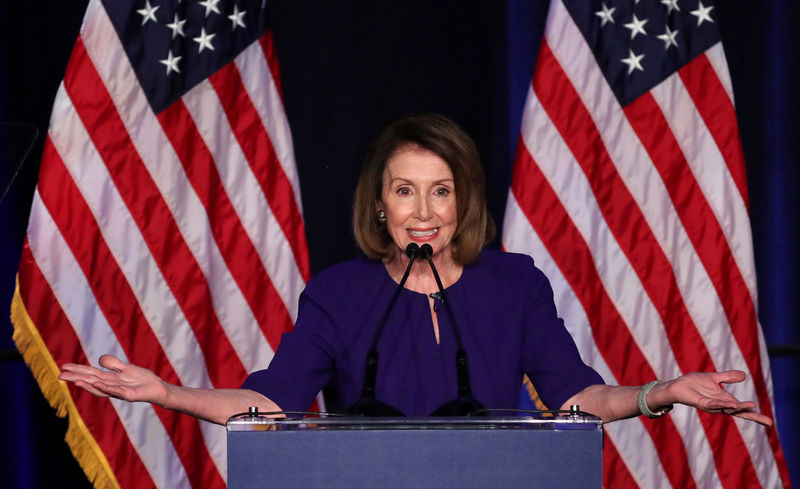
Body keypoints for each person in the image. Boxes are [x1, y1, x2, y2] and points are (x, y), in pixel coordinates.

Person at [59, 114, 771, 427]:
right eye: (405, 190)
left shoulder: (514, 284)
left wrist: (662, 390)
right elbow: (271, 405)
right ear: (379, 204)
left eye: (441, 189)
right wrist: (164, 392)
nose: (424, 210)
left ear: (464, 201)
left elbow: (576, 399)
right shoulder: (338, 294)